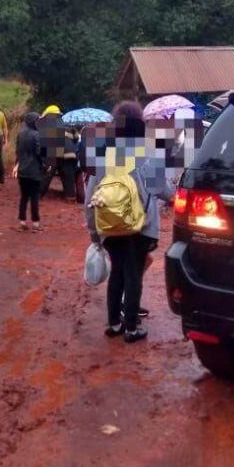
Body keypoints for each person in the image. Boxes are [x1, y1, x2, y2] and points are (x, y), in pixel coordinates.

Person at [85, 101, 174, 344]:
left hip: (110, 225)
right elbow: (164, 191)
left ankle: (114, 324)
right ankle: (132, 329)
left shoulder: (104, 155)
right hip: (140, 227)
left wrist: (94, 232)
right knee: (133, 275)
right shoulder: (148, 154)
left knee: (117, 273)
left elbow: (90, 197)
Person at [14, 110, 44, 231]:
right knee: (34, 198)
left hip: (22, 170)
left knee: (24, 197)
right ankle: (35, 224)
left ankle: (22, 222)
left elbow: (17, 151)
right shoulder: (36, 135)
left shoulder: (20, 134)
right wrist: (44, 164)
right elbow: (39, 153)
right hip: (34, 171)